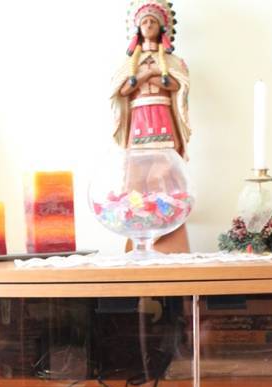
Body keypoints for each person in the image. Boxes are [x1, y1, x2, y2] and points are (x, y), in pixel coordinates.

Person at [110, 1, 192, 252]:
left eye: (152, 21)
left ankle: (166, 218)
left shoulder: (171, 60)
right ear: (137, 28)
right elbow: (122, 89)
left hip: (162, 116)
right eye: (144, 21)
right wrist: (146, 75)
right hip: (139, 118)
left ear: (161, 28)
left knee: (165, 169)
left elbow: (177, 84)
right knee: (136, 171)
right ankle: (139, 220)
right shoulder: (131, 63)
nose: (148, 25)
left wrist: (153, 76)